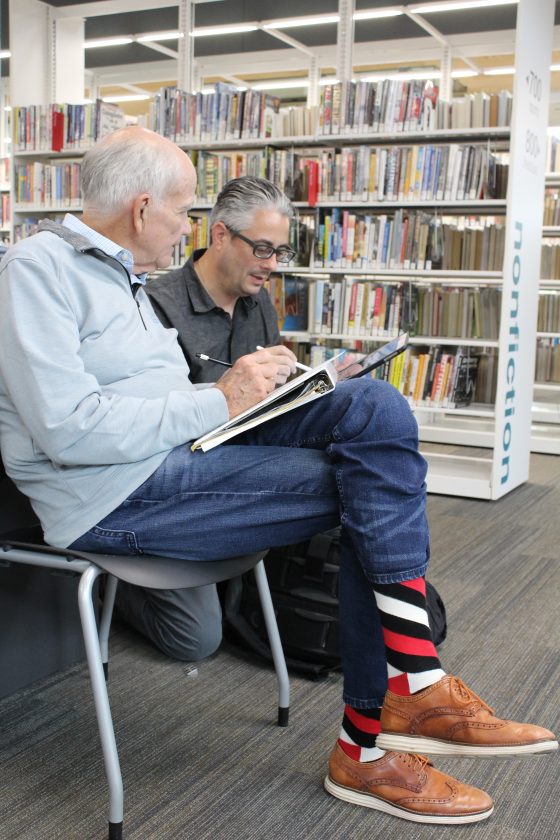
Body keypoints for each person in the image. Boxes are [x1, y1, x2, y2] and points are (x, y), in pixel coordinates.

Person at [0, 126, 556, 826]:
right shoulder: (37, 270)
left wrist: (258, 391)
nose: (187, 228)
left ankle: (412, 687)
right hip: (115, 494)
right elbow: (69, 429)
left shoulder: (123, 275)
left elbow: (157, 397)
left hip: (182, 450)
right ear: (142, 209)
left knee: (375, 406)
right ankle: (380, 730)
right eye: (183, 210)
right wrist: (220, 399)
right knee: (367, 487)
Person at [110, 176, 289, 659]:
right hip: (180, 477)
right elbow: (151, 418)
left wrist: (287, 382)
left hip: (245, 458)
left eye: (280, 252)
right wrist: (224, 394)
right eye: (263, 249)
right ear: (221, 235)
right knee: (196, 639)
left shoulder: (258, 301)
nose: (272, 264)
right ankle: (113, 586)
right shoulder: (155, 303)